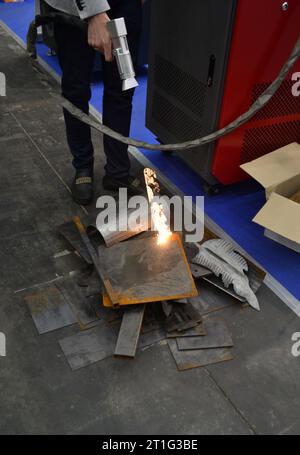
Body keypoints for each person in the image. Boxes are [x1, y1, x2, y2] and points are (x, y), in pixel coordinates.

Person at [43, 0, 143, 205]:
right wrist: (94, 12)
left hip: (124, 5)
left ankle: (118, 169)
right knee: (75, 90)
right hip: (73, 6)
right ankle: (82, 166)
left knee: (123, 85)